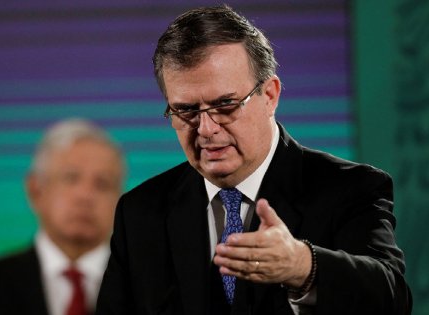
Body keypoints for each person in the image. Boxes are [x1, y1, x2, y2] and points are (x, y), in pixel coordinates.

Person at [95, 5, 411, 315]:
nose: (206, 129)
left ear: (270, 95)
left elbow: (392, 298)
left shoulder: (351, 187)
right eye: (186, 111)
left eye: (226, 105)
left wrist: (304, 266)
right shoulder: (140, 212)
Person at [0, 119, 125, 315]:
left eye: (103, 183)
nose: (85, 195)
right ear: (36, 190)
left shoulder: (149, 287)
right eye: (71, 178)